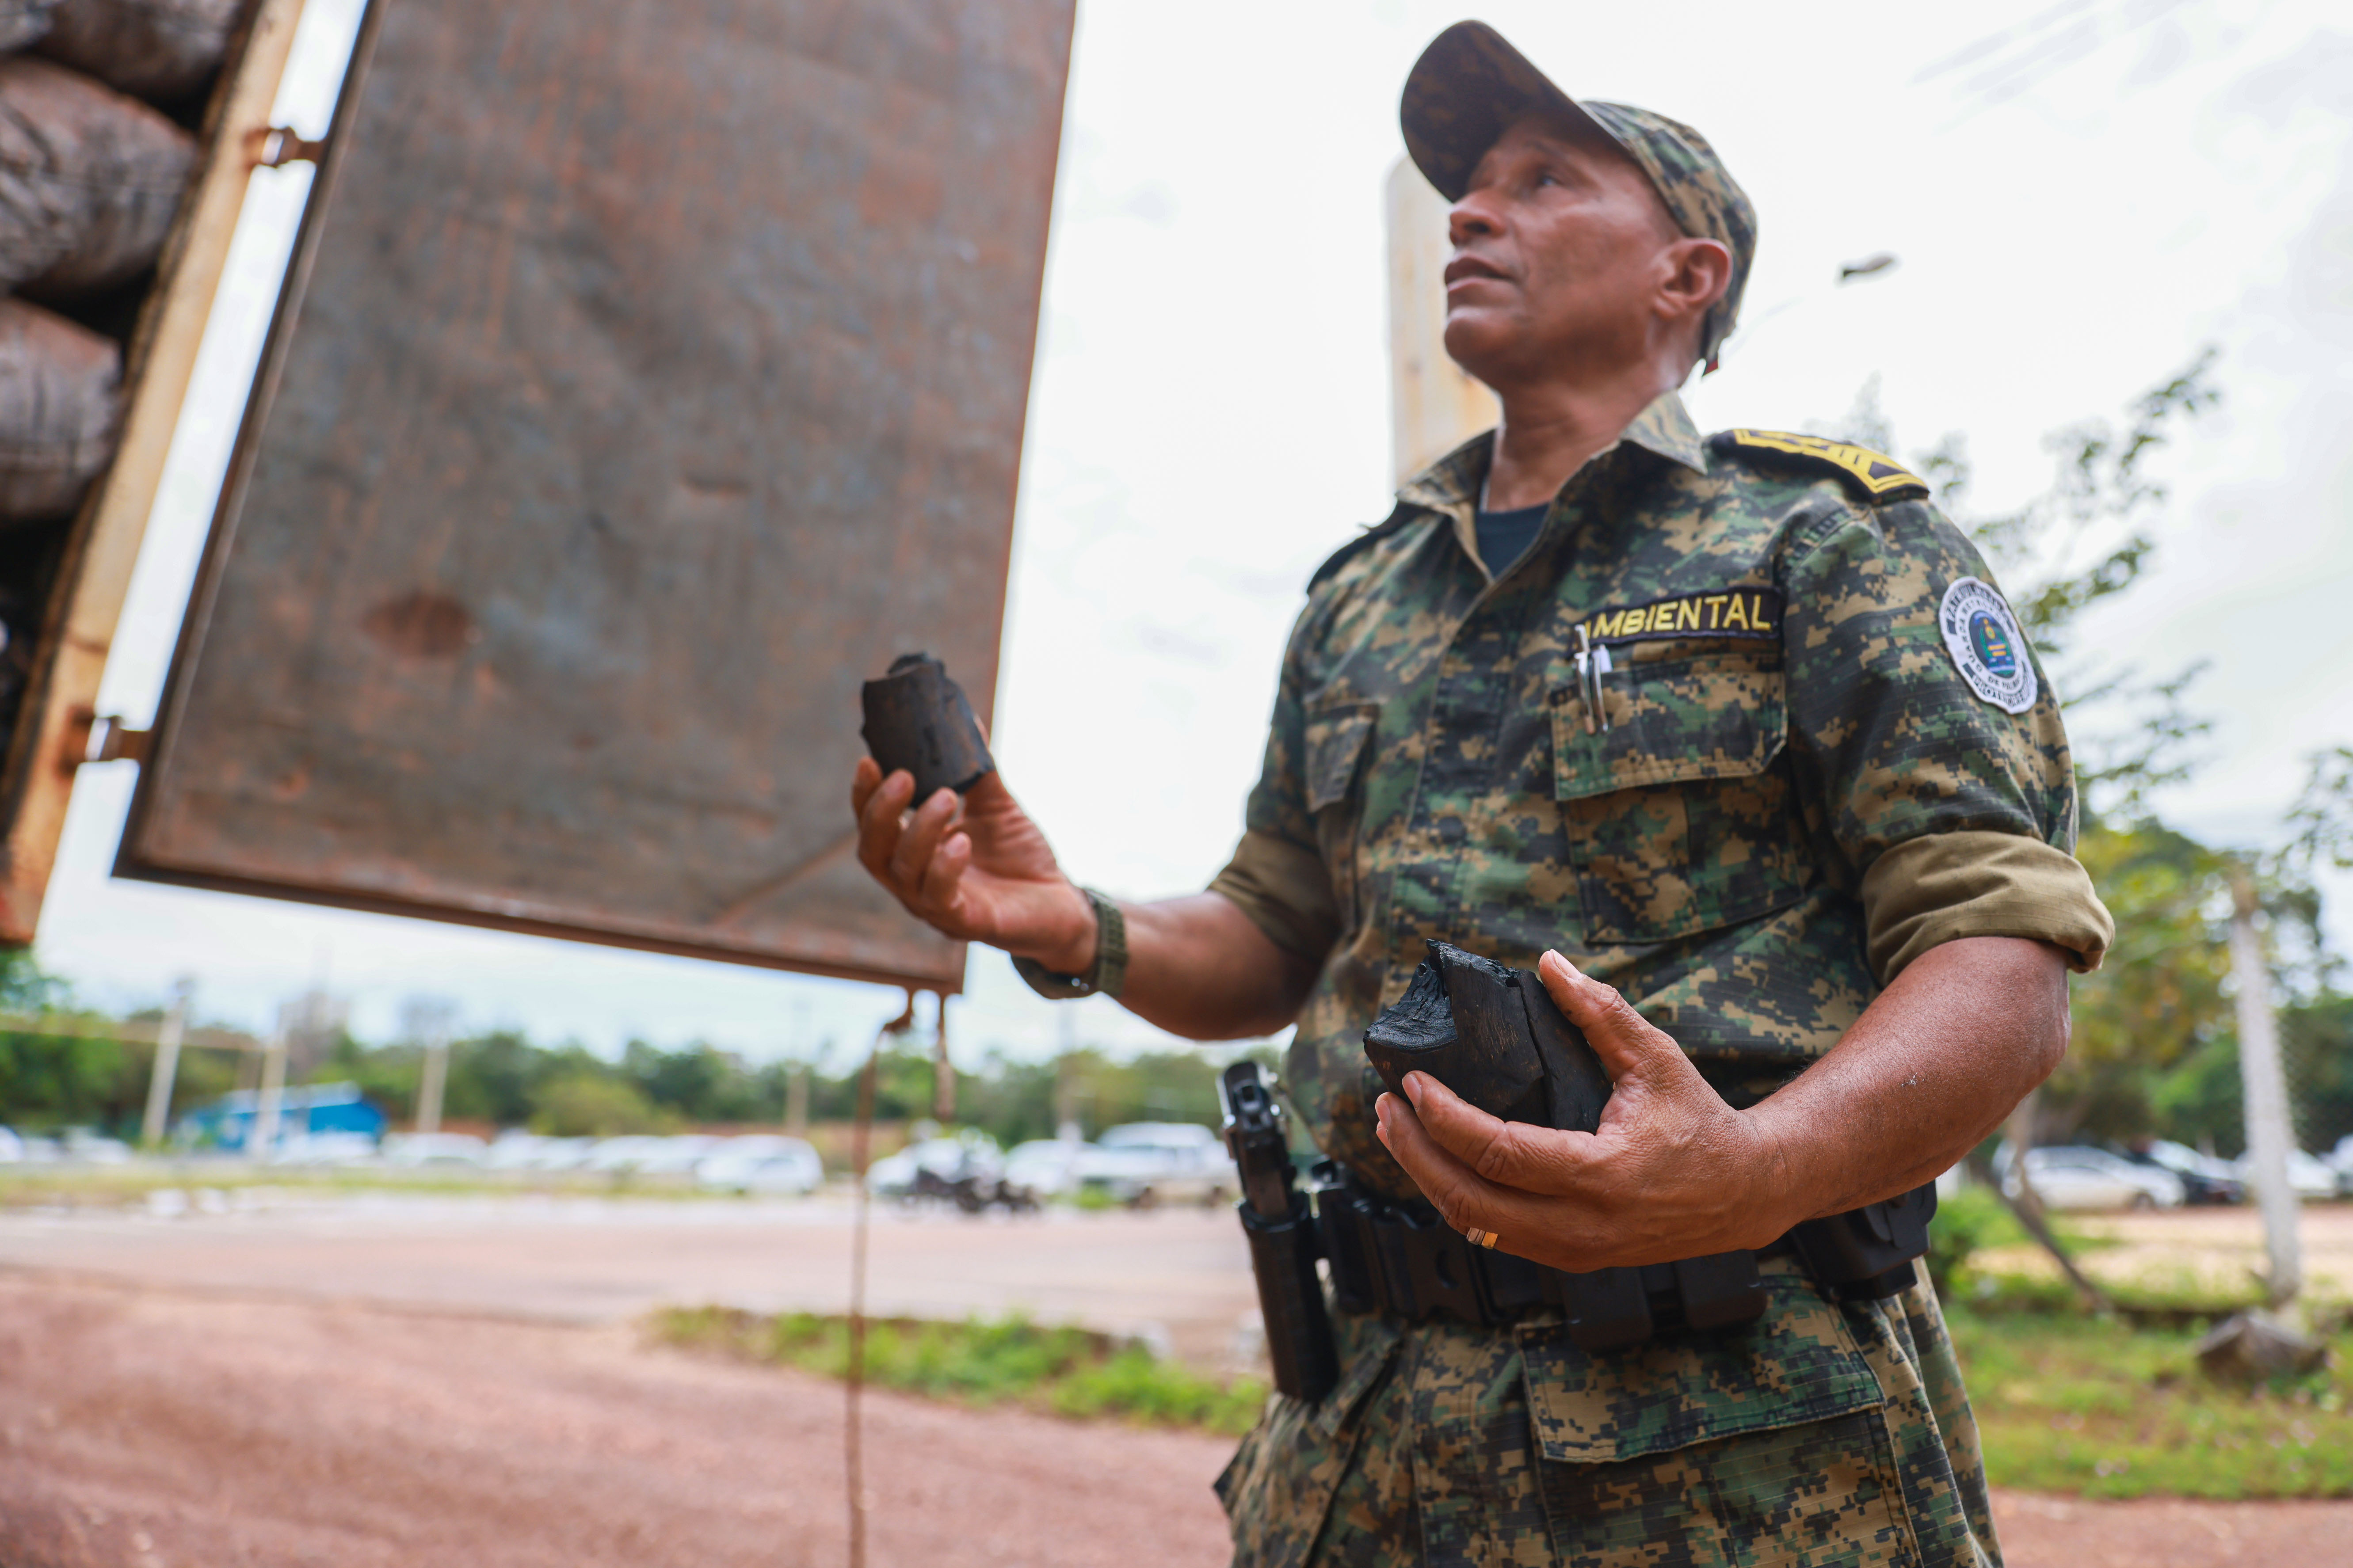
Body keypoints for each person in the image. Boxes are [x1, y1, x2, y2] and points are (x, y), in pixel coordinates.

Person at [850, 20, 2112, 1567]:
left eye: (1540, 178)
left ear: (1685, 276)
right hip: (1364, 1429)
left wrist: (1752, 1170)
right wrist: (1072, 924)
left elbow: (2000, 953)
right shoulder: (1359, 599)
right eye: (1462, 186)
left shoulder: (1824, 545)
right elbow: (1272, 930)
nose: (1466, 210)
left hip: (1735, 1439)